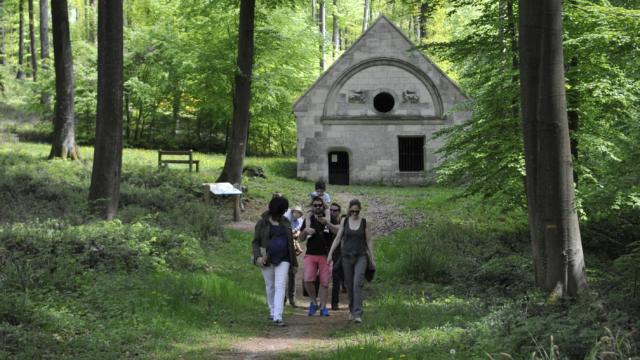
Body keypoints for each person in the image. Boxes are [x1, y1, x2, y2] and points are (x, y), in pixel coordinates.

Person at [327, 199, 375, 324]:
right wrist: (330, 254)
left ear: (360, 210)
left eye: (356, 211)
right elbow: (338, 238)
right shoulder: (345, 221)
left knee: (357, 283)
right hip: (346, 257)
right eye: (352, 211)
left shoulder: (364, 222)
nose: (354, 213)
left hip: (361, 256)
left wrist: (372, 258)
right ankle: (351, 309)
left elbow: (369, 241)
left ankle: (358, 313)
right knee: (349, 284)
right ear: (349, 210)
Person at [252, 196, 298, 326]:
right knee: (270, 286)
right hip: (267, 258)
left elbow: (291, 244)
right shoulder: (262, 223)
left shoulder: (286, 223)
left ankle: (278, 316)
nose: (282, 213)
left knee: (280, 284)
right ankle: (272, 311)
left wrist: (294, 263)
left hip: (284, 258)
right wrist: (257, 257)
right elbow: (255, 242)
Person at [300, 196, 333, 316]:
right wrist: (305, 231)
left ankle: (324, 307)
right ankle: (313, 302)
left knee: (324, 283)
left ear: (323, 206)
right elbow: (301, 238)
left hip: (325, 255)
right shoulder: (308, 219)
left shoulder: (329, 218)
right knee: (308, 280)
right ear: (312, 206)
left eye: (320, 205)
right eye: (315, 205)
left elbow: (337, 232)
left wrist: (328, 223)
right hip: (311, 254)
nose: (318, 207)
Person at [284, 206, 304, 307]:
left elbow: (299, 231)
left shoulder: (300, 221)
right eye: (296, 212)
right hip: (283, 248)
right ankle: (282, 298)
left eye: (299, 213)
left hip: (292, 248)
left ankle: (292, 299)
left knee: (292, 272)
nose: (297, 214)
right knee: (282, 275)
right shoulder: (286, 217)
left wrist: (297, 233)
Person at [328, 202, 345, 310]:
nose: (332, 212)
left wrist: (327, 223)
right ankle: (334, 303)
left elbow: (337, 230)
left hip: (345, 252)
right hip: (334, 253)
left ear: (339, 212)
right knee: (336, 279)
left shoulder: (343, 220)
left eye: (335, 210)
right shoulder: (327, 218)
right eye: (331, 210)